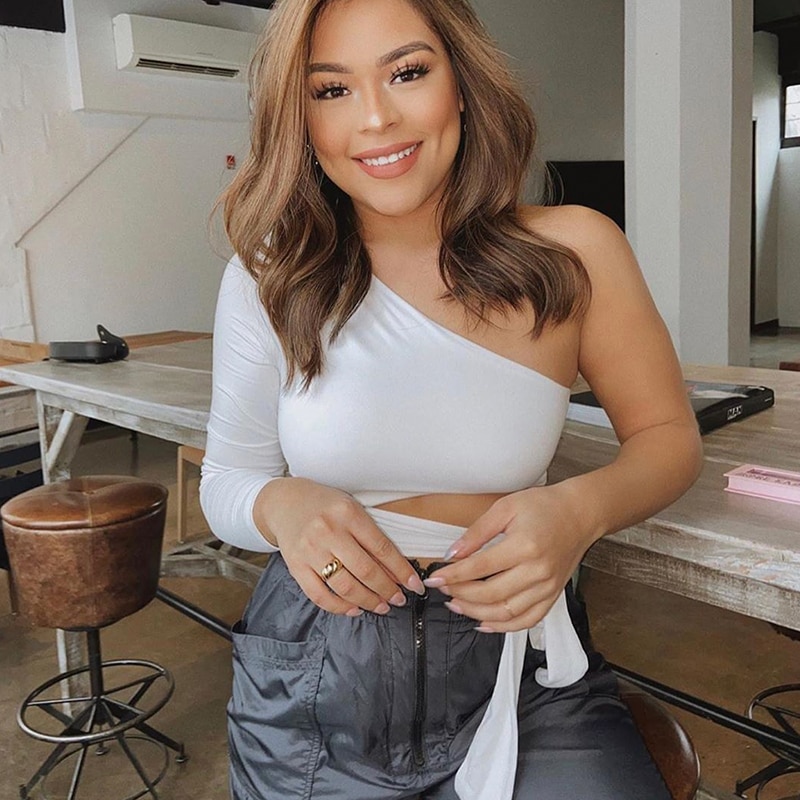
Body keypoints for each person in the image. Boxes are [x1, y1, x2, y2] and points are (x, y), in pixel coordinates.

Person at [200, 0, 704, 797]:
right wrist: (281, 506)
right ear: (301, 118)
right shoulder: (272, 273)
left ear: (461, 85)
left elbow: (668, 436)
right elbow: (227, 481)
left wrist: (578, 512)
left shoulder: (574, 251)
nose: (375, 118)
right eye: (332, 89)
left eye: (407, 73)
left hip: (521, 666)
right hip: (315, 674)